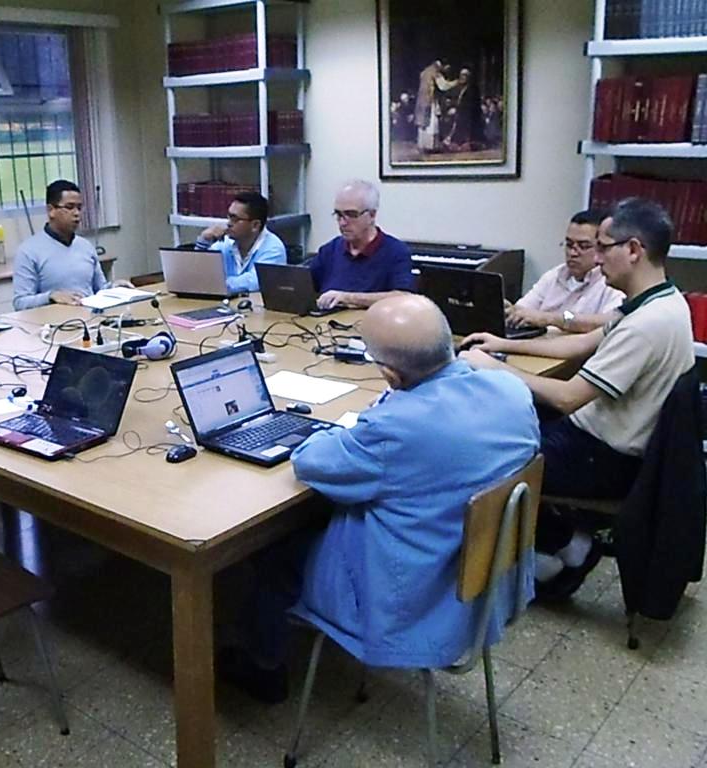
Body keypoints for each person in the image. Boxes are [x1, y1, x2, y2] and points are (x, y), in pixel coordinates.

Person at [219, 295, 539, 703]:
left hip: (410, 599)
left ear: (390, 374)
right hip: (485, 582)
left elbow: (310, 462)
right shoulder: (511, 389)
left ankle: (262, 664)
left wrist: (381, 412)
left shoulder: (396, 427)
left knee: (274, 544)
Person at [460, 198, 694, 599]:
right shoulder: (657, 300)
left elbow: (569, 398)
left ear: (633, 250)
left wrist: (493, 368)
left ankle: (565, 545)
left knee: (480, 453)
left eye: (603, 248)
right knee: (498, 419)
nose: (596, 260)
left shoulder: (647, 325)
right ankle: (554, 542)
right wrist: (501, 344)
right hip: (598, 436)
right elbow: (578, 345)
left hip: (604, 456)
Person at [505, 210, 624, 334]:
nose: (572, 253)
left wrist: (550, 318)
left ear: (601, 247)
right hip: (537, 342)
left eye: (583, 246)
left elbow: (610, 323)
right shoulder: (555, 275)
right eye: (569, 244)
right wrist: (509, 310)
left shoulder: (612, 283)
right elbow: (523, 310)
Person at [13, 179, 121, 309]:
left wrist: (114, 288)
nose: (76, 213)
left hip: (90, 316)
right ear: (51, 210)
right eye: (69, 207)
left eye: (79, 208)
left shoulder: (85, 246)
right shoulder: (29, 251)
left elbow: (100, 289)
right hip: (54, 319)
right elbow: (20, 303)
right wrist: (51, 296)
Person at [310, 180, 415, 310]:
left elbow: (403, 297)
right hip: (327, 321)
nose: (342, 223)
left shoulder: (395, 252)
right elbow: (305, 285)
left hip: (370, 321)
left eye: (351, 215)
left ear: (372, 215)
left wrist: (347, 298)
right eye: (338, 214)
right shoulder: (329, 250)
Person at [194, 191, 287, 295]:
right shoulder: (225, 243)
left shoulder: (274, 249)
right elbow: (197, 274)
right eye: (229, 217)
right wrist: (204, 241)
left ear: (255, 225)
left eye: (235, 219)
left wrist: (216, 284)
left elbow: (254, 282)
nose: (229, 223)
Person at [415, 59, 459, 152]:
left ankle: (422, 145)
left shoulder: (425, 71)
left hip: (421, 100)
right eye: (447, 68)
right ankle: (430, 146)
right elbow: (443, 86)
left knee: (423, 124)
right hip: (429, 101)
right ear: (443, 65)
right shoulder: (435, 72)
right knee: (431, 123)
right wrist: (456, 82)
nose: (447, 71)